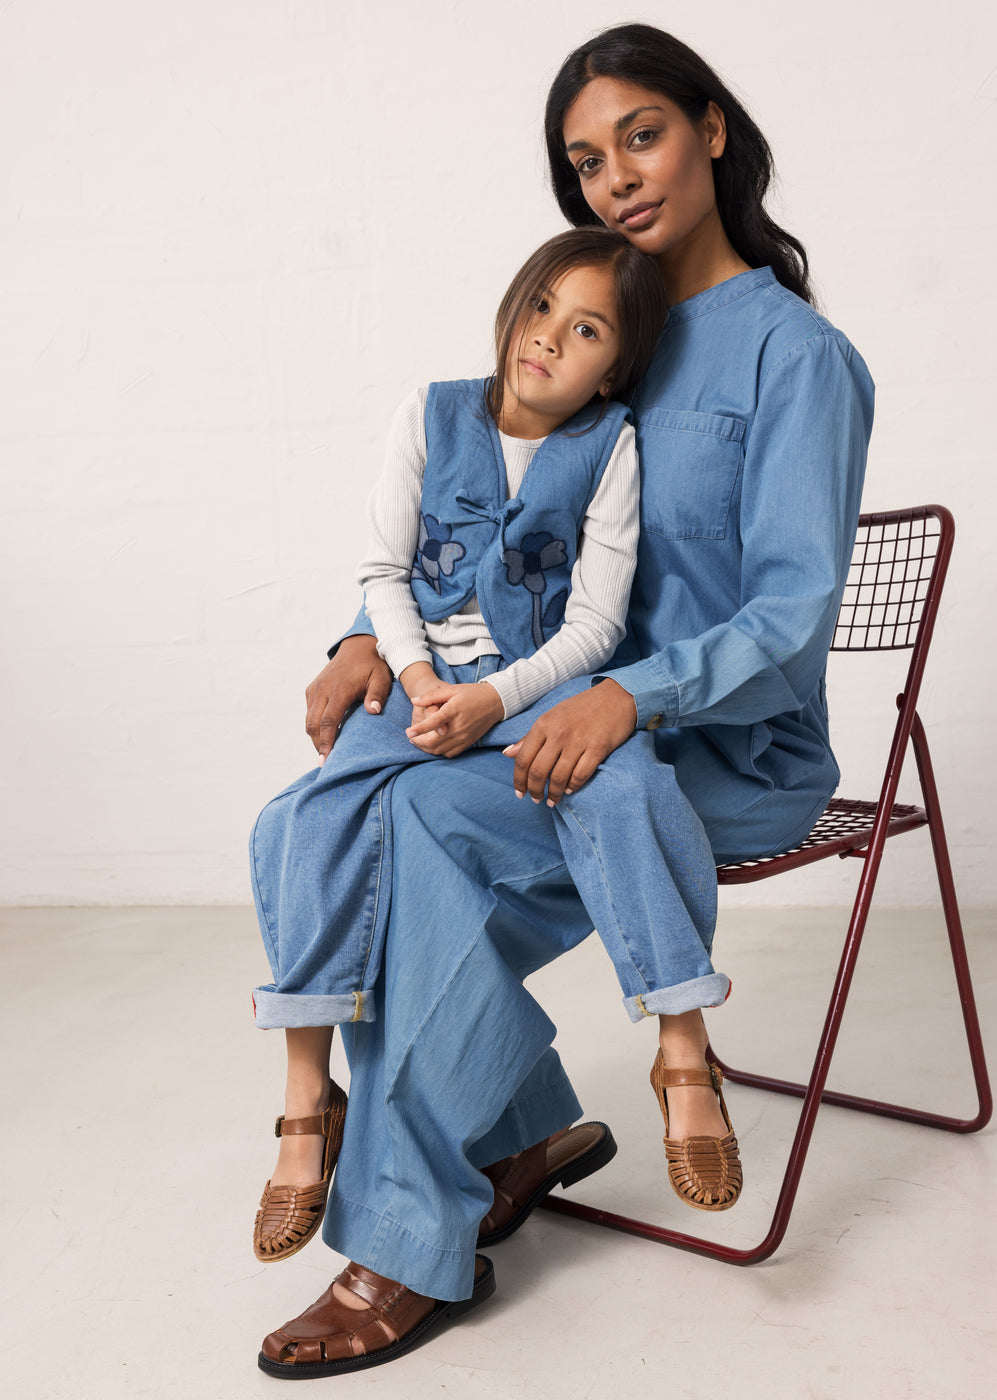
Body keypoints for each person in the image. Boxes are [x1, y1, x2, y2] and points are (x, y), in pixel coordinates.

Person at [256, 22, 875, 1380]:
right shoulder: (602, 322)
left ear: (711, 127)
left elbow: (788, 616)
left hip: (723, 746)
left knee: (413, 834)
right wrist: (365, 635)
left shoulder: (794, 359)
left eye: (639, 138)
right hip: (546, 719)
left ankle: (406, 1239)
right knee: (337, 812)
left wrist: (631, 698)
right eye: (585, 163)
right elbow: (483, 530)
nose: (616, 181)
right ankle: (525, 1127)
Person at [250, 226, 668, 1265]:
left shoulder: (610, 442)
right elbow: (382, 567)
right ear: (513, 304)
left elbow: (593, 626)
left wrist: (486, 699)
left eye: (583, 332)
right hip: (418, 681)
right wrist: (424, 678)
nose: (548, 342)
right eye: (541, 309)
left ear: (611, 364)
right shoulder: (431, 411)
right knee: (296, 823)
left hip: (526, 700)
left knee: (380, 842)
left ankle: (402, 1201)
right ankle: (312, 1092)